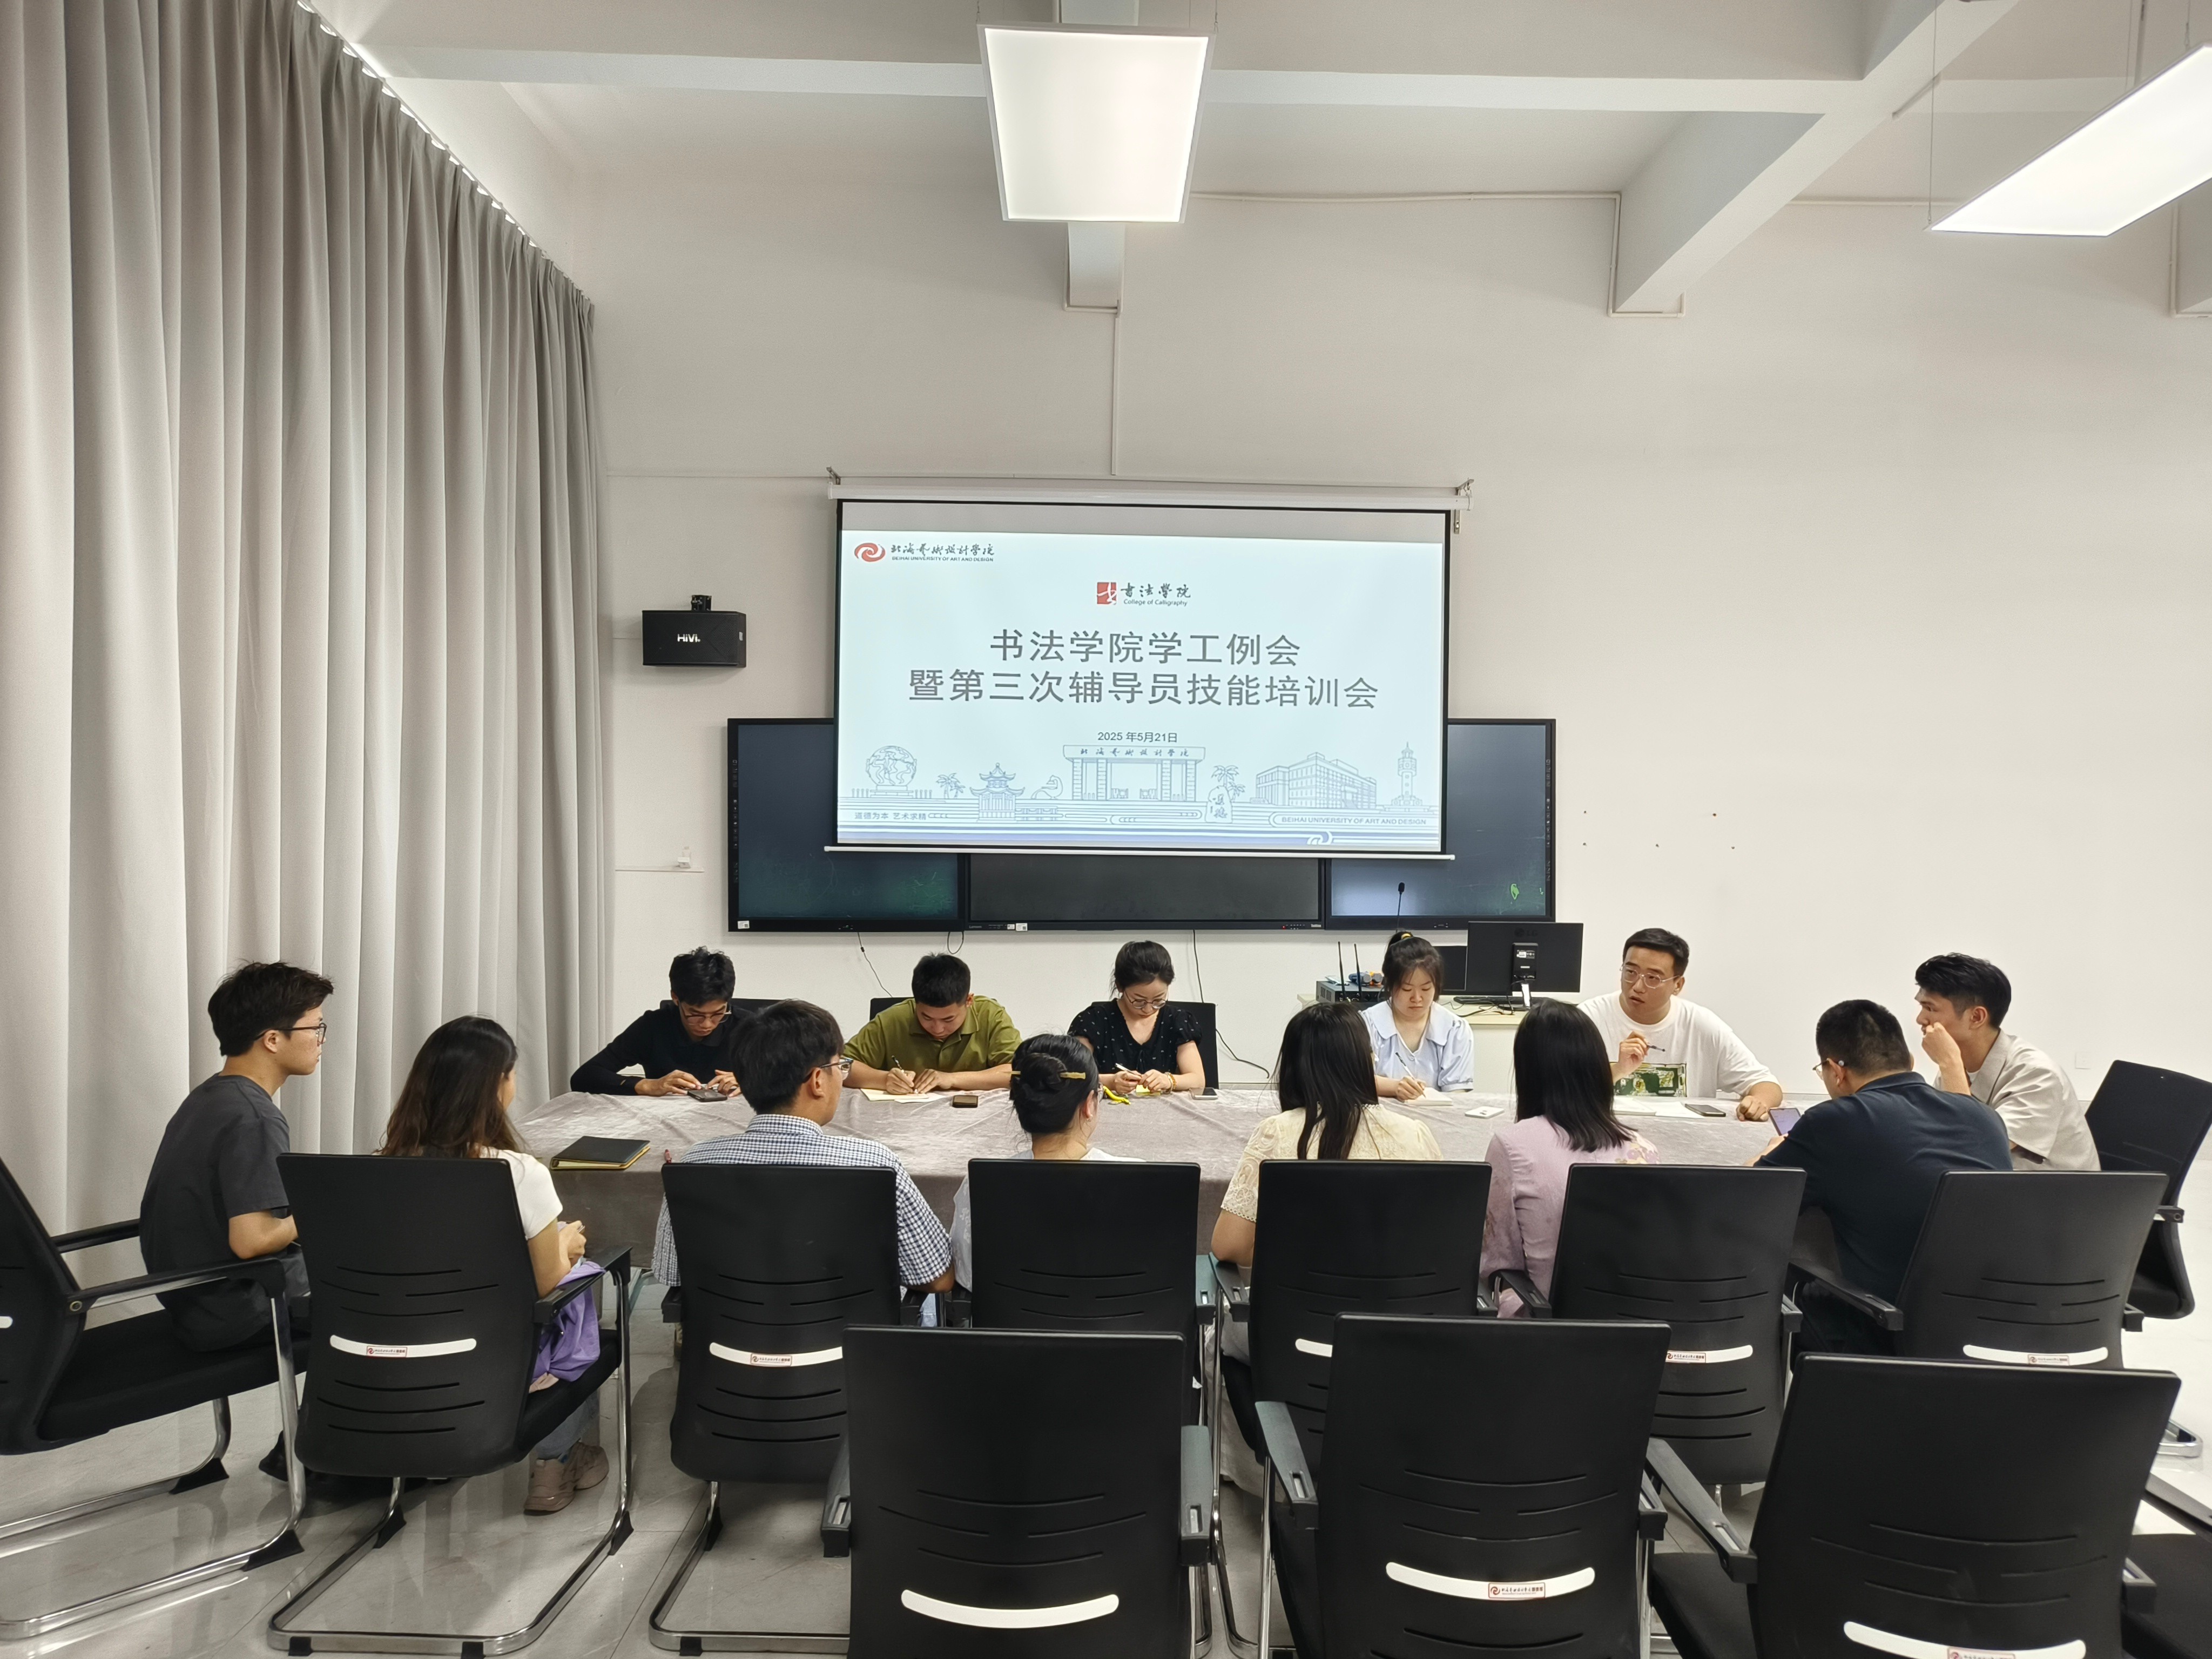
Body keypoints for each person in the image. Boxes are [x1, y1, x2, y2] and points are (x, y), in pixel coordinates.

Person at [379, 1016, 604, 1515]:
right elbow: (546, 1282)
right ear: (498, 1084)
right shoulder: (519, 1173)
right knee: (578, 1283)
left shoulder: (380, 1167)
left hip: (402, 1355)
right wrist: (566, 1244)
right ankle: (555, 1461)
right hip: (496, 1358)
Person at [1756, 1000, 2009, 1353]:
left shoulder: (1833, 1121)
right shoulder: (1986, 1118)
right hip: (1994, 1327)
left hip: (1886, 1328)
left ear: (1836, 1071)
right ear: (1910, 1061)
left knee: (1783, 1281)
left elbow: (1753, 1201)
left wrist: (1770, 1153)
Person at [653, 1000, 954, 1293]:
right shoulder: (874, 1164)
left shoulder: (694, 1163)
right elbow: (937, 1278)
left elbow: (672, 1274)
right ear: (817, 1081)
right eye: (841, 1067)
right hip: (850, 1326)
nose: (842, 1076)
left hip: (726, 1327)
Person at [140, 961, 329, 1353]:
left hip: (194, 1308)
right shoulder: (255, 1118)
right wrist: (322, 1211)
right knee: (389, 1291)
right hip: (242, 1314)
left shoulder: (209, 1097)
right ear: (273, 1039)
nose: (320, 1040)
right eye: (316, 1028)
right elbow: (252, 1242)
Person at [1210, 1001, 1443, 1270]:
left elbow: (1229, 1246)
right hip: (1397, 1295)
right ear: (1367, 1061)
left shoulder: (1277, 1132)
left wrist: (1295, 1257)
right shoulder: (1415, 1135)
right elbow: (1441, 1237)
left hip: (1299, 1294)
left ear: (1293, 1070)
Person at [1482, 1000, 1656, 1314]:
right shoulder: (1644, 1150)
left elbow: (1496, 1261)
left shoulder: (1512, 1145)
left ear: (1529, 1071)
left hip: (1548, 1328)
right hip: (1634, 1328)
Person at [949, 1034, 1134, 1289]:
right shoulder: (1140, 1180)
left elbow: (967, 1276)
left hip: (1010, 1315)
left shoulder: (981, 1183)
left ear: (1020, 1104)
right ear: (1089, 1105)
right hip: (1121, 1314)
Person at [1914, 953, 2098, 1172]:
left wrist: (1949, 1064)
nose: (1920, 1019)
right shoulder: (1958, 1062)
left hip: (2054, 1193)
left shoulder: (2038, 1074)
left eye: (1930, 1009)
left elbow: (1972, 1148)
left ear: (1976, 1018)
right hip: (1994, 1185)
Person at [1577, 927, 1784, 1120]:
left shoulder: (1702, 1025)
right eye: (1630, 973)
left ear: (1678, 985)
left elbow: (1766, 1084)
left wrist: (1759, 1102)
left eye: (1653, 978)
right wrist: (1618, 1070)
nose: (1638, 986)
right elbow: (1561, 1090)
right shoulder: (1586, 1020)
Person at [571, 947, 744, 1097]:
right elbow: (584, 1077)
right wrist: (647, 1085)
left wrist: (750, 1080)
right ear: (675, 998)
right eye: (695, 1015)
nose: (707, 1024)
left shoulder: (748, 1026)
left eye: (718, 1014)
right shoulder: (653, 1026)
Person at [844, 953, 1019, 1096]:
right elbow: (842, 1066)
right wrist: (884, 1079)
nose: (937, 1029)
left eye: (948, 1020)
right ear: (916, 1003)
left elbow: (1017, 1072)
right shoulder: (892, 1020)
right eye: (926, 1017)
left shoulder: (991, 1015)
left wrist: (951, 1079)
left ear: (969, 1001)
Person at [1069, 940, 1207, 1096]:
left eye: (1158, 1000)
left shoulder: (1178, 1021)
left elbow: (1198, 1080)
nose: (1148, 1009)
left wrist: (1169, 1080)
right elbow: (1073, 1076)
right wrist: (1110, 1081)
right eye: (1139, 1001)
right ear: (1120, 987)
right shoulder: (1093, 1021)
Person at [1363, 932, 1474, 1101]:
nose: (1417, 998)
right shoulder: (1367, 1024)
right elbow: (1354, 1081)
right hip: (1381, 1115)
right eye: (1407, 989)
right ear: (1390, 985)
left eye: (1426, 989)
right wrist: (1394, 1087)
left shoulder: (1455, 1029)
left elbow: (1457, 1095)